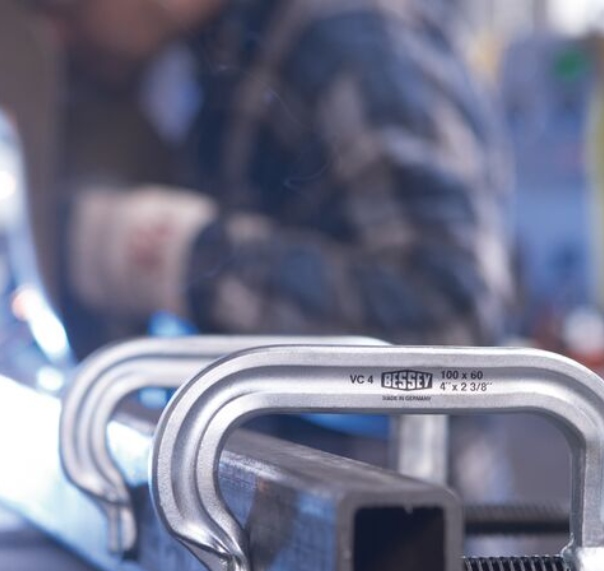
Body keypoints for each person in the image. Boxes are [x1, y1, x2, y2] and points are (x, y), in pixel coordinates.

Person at [32, 0, 516, 356]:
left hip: (385, 470)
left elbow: (452, 324)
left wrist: (162, 251)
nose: (56, 36)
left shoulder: (345, 40)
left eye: (63, 7)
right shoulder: (222, 56)